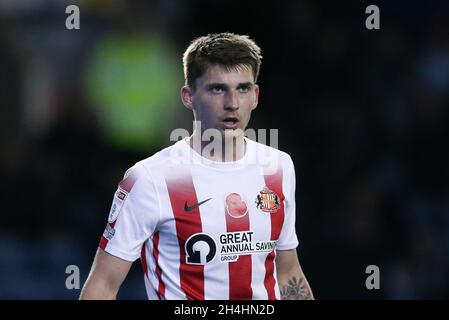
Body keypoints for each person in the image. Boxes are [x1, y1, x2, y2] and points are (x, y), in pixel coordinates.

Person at [80, 33, 314, 300]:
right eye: (217, 89)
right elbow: (103, 286)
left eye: (242, 88)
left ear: (255, 96)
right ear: (188, 97)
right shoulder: (149, 179)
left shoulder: (279, 167)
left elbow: (288, 273)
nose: (232, 103)